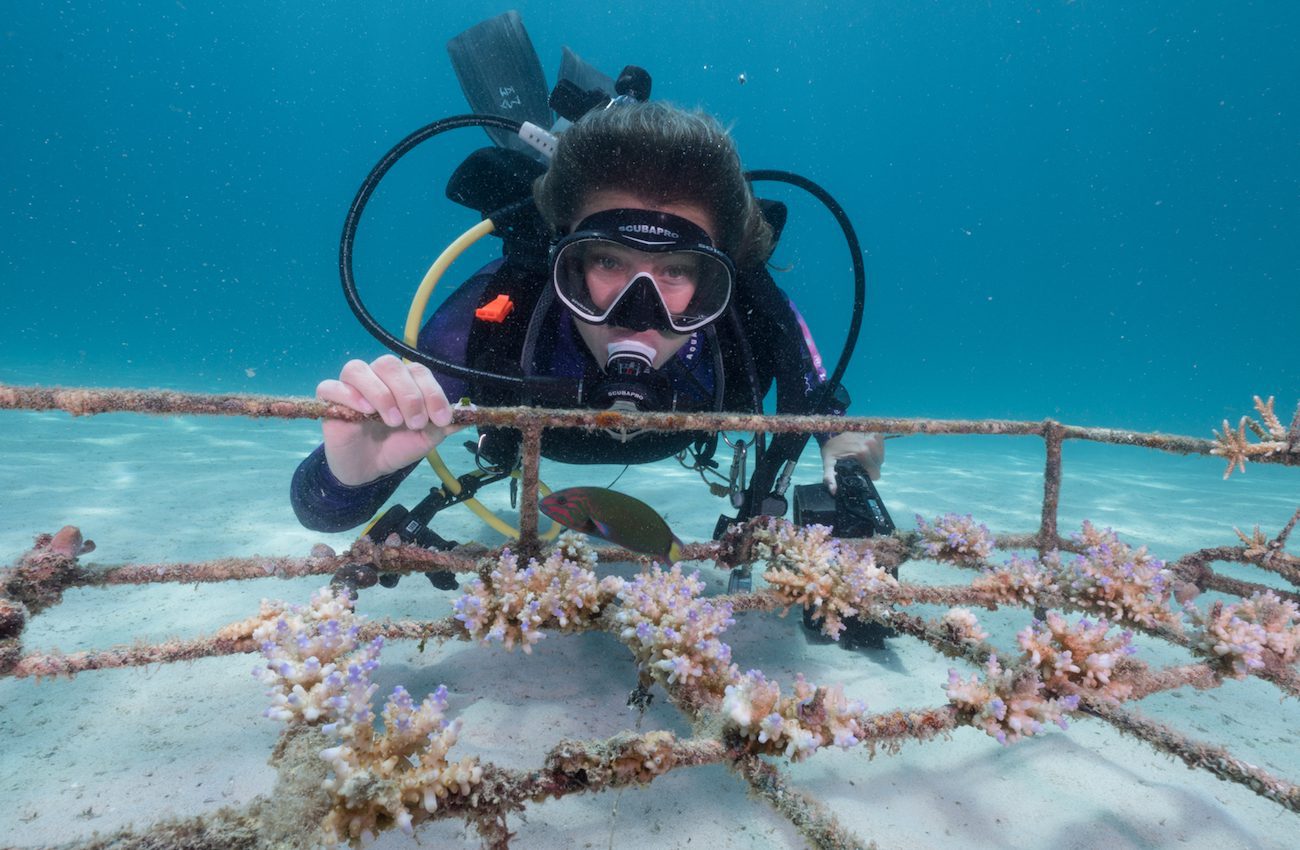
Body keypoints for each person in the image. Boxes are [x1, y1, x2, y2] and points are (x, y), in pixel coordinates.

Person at [290, 101, 883, 539]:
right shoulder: (504, 312)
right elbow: (322, 511)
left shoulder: (751, 318)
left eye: (676, 270)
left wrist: (848, 451)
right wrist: (351, 473)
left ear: (717, 282)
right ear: (561, 263)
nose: (636, 315)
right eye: (605, 260)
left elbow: (827, 413)